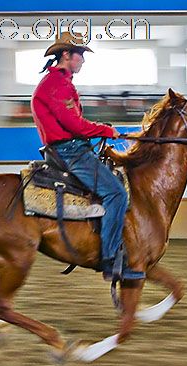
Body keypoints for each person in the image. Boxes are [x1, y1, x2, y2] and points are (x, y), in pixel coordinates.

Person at [30, 31, 144, 281]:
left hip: (70, 147)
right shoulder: (57, 84)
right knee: (116, 193)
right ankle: (110, 258)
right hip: (70, 150)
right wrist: (106, 130)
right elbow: (75, 126)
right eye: (80, 55)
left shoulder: (59, 82)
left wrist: (100, 129)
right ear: (66, 55)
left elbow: (75, 123)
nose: (83, 60)